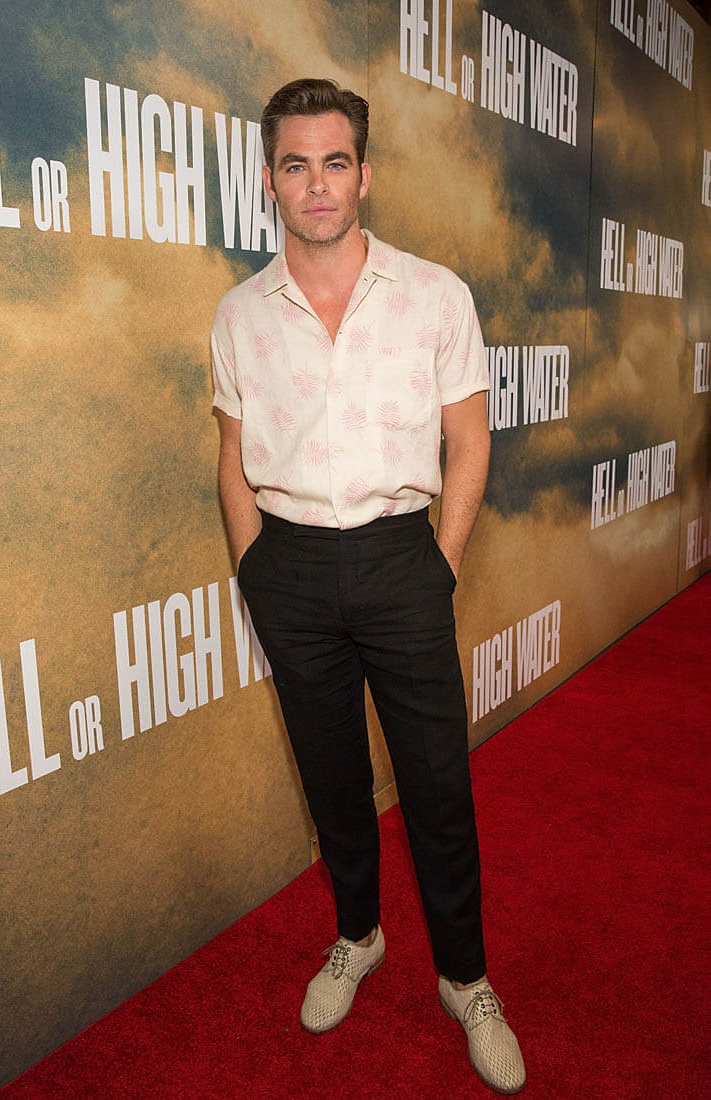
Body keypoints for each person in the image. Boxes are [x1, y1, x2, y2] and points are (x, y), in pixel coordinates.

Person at [211, 78, 526, 1095]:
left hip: (402, 562)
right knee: (332, 777)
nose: (317, 184)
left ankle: (466, 979)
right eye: (295, 164)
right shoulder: (238, 314)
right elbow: (232, 455)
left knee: (437, 784)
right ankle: (358, 934)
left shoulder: (434, 294)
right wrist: (255, 568)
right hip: (290, 567)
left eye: (334, 161)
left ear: (365, 174)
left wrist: (439, 562)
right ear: (271, 181)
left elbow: (469, 439)